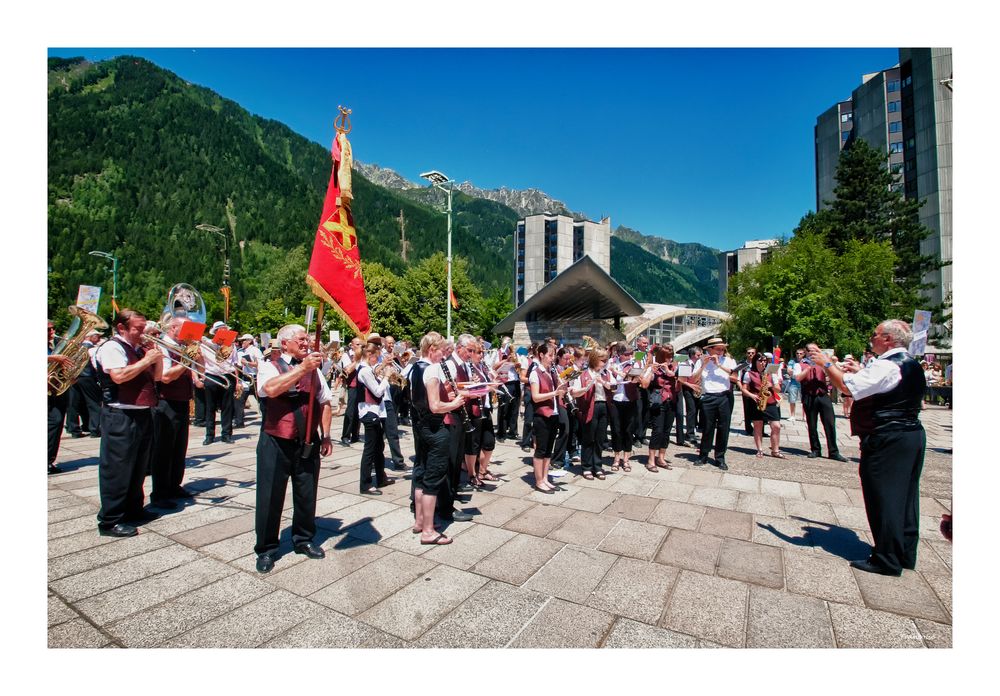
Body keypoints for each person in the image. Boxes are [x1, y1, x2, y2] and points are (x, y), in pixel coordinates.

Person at [808, 319, 925, 577]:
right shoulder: (910, 363)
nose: (871, 338)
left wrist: (826, 364)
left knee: (884, 497)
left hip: (888, 436)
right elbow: (884, 384)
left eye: (876, 334)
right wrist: (860, 369)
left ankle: (886, 559)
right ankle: (904, 553)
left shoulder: (886, 365)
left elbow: (846, 387)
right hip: (911, 434)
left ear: (888, 339)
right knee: (906, 498)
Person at [253, 324, 334, 573]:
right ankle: (266, 548)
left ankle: (303, 539)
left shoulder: (315, 370)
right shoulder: (270, 365)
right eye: (300, 339)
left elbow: (325, 401)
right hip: (276, 440)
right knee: (270, 496)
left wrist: (327, 435)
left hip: (307, 442)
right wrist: (302, 369)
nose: (306, 343)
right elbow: (270, 390)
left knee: (306, 493)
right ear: (285, 343)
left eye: (307, 339)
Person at [93, 309, 164, 537]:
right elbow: (119, 376)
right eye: (138, 329)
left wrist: (157, 358)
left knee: (138, 465)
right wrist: (146, 360)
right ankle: (110, 519)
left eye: (144, 328)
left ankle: (134, 509)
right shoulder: (112, 347)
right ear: (122, 327)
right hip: (119, 414)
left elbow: (157, 378)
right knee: (118, 467)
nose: (143, 333)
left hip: (141, 411)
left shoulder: (137, 348)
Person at [150, 315, 196, 507]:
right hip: (165, 401)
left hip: (181, 399)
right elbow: (165, 377)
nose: (190, 333)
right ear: (173, 328)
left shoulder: (181, 346)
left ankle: (174, 485)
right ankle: (160, 493)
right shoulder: (162, 346)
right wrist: (186, 359)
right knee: (164, 449)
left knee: (179, 447)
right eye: (186, 329)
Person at [690, 337, 738, 470]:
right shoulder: (701, 361)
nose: (721, 351)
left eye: (722, 349)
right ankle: (703, 455)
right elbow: (694, 378)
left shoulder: (728, 360)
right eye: (718, 349)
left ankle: (720, 458)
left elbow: (734, 375)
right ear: (710, 350)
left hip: (724, 396)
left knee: (724, 428)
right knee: (707, 428)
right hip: (708, 396)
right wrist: (704, 365)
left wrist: (718, 365)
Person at [797, 343, 848, 462]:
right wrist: (809, 368)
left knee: (830, 423)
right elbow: (798, 378)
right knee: (812, 424)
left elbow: (836, 374)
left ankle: (833, 451)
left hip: (823, 395)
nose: (813, 352)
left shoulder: (824, 363)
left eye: (815, 350)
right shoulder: (801, 364)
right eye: (811, 350)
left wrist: (827, 364)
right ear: (806, 352)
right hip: (809, 396)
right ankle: (815, 449)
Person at [356, 343, 394, 495]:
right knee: (370, 450)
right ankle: (365, 485)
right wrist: (386, 376)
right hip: (369, 412)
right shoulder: (364, 371)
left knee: (379, 447)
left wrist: (383, 366)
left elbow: (375, 373)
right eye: (376, 356)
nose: (378, 359)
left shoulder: (368, 369)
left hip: (376, 411)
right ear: (370, 355)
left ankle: (381, 477)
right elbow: (378, 392)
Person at [528, 343, 567, 493]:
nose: (552, 359)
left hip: (554, 414)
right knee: (541, 450)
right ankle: (538, 481)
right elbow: (536, 397)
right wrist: (554, 393)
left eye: (553, 355)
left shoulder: (551, 372)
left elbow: (556, 392)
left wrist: (563, 390)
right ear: (542, 355)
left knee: (548, 450)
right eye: (550, 355)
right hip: (542, 416)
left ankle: (545, 478)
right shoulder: (535, 373)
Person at [571, 348, 614, 480]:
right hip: (589, 407)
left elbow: (614, 387)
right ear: (595, 360)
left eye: (606, 360)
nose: (605, 363)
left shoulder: (606, 373)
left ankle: (598, 466)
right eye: (602, 360)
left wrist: (603, 382)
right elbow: (574, 392)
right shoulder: (582, 374)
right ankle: (587, 467)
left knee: (600, 438)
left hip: (603, 406)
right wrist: (586, 387)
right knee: (588, 438)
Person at [739, 353, 784, 459]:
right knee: (758, 427)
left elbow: (778, 389)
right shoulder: (749, 374)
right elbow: (744, 389)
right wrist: (752, 396)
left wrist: (771, 386)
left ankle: (775, 450)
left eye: (765, 361)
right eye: (760, 361)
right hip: (756, 402)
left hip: (770, 401)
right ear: (755, 362)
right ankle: (759, 449)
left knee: (776, 426)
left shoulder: (771, 374)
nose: (763, 363)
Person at [641, 345, 678, 472]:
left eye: (671, 356)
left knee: (667, 431)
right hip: (658, 402)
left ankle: (661, 458)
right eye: (667, 357)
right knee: (658, 430)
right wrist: (651, 370)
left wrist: (669, 371)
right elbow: (644, 385)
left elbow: (680, 384)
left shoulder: (674, 367)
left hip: (671, 401)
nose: (669, 359)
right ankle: (651, 460)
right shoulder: (654, 368)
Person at [201, 320, 237, 445]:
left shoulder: (232, 346)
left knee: (227, 407)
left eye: (225, 329)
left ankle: (226, 434)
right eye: (221, 330)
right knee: (210, 407)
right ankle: (209, 435)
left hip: (228, 375)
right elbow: (201, 361)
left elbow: (235, 364)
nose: (224, 332)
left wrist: (238, 382)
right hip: (212, 375)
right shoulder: (206, 344)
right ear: (215, 332)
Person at [65, 328, 104, 438]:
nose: (99, 338)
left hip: (74, 378)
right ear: (91, 337)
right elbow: (96, 365)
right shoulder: (92, 349)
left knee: (73, 404)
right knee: (93, 404)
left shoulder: (75, 348)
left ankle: (73, 429)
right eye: (97, 336)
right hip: (88, 377)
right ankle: (95, 429)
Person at [607, 343, 640, 472]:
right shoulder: (611, 362)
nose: (630, 356)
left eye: (631, 354)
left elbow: (635, 380)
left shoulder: (634, 364)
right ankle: (616, 458)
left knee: (628, 430)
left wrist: (619, 372)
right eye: (627, 354)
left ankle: (626, 459)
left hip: (630, 400)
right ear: (619, 354)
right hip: (615, 400)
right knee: (616, 430)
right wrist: (613, 370)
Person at [339, 336, 364, 446]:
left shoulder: (363, 355)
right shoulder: (346, 355)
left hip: (362, 385)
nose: (360, 347)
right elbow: (347, 370)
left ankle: (355, 434)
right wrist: (358, 359)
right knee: (350, 411)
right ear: (352, 345)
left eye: (361, 345)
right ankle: (345, 435)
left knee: (359, 411)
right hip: (353, 385)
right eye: (358, 345)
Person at [677, 346, 702, 447]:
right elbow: (682, 380)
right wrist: (692, 386)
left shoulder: (699, 364)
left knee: (696, 410)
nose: (700, 357)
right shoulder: (685, 364)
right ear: (692, 355)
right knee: (691, 410)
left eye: (700, 355)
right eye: (698, 355)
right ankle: (689, 433)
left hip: (697, 388)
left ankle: (693, 430)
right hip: (688, 389)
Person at [785, 348, 806, 423]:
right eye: (797, 353)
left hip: (803, 382)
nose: (799, 355)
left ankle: (805, 416)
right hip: (794, 382)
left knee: (804, 399)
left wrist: (794, 372)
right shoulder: (792, 361)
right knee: (792, 399)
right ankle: (792, 415)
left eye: (800, 353)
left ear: (804, 354)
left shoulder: (806, 361)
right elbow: (789, 370)